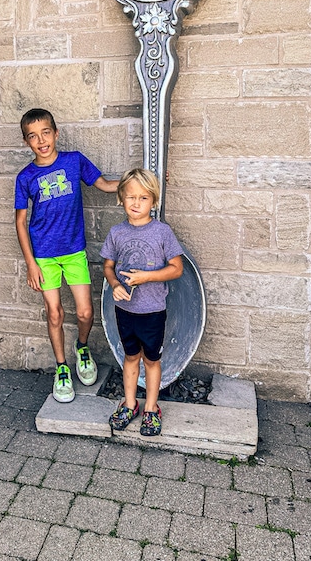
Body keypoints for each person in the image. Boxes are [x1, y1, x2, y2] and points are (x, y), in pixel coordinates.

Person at [15, 108, 118, 403]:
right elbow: (20, 222)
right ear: (26, 142)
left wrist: (140, 180)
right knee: (55, 313)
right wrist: (31, 263)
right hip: (45, 255)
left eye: (45, 133)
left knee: (85, 313)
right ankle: (62, 367)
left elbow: (106, 185)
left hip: (74, 252)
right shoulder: (26, 177)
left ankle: (81, 348)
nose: (41, 140)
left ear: (56, 133)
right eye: (33, 136)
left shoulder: (74, 162)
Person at [101, 168, 183, 436]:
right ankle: (130, 403)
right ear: (121, 199)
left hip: (152, 311)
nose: (136, 203)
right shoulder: (116, 232)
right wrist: (114, 285)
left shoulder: (162, 232)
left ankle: (151, 408)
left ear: (154, 201)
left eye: (144, 198)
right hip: (125, 310)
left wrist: (148, 277)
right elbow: (108, 266)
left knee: (151, 360)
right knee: (130, 357)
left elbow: (177, 268)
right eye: (131, 197)